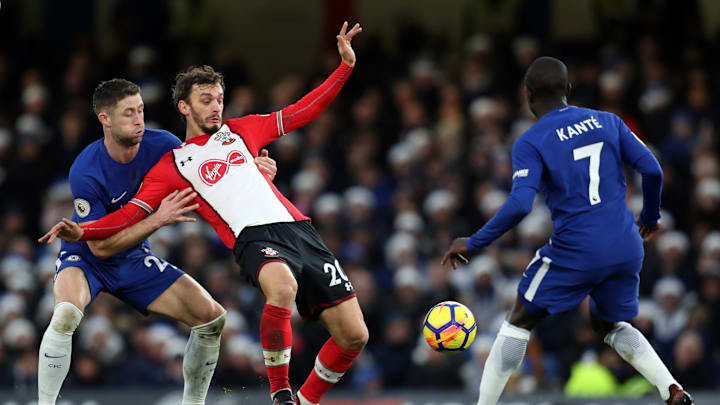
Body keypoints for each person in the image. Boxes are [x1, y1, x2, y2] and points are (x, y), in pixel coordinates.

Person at [41, 22, 368, 405]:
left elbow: (302, 112)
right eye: (206, 100)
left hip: (300, 231)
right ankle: (280, 394)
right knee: (281, 288)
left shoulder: (243, 131)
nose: (216, 107)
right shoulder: (174, 164)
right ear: (184, 106)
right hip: (254, 239)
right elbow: (129, 213)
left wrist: (344, 66)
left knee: (355, 335)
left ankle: (305, 401)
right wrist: (85, 232)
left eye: (219, 99)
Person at [440, 57, 693, 405]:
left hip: (577, 249)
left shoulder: (530, 142)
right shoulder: (608, 121)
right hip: (626, 244)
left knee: (519, 319)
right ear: (568, 90)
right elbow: (652, 170)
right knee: (608, 325)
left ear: (527, 96)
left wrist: (473, 241)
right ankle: (672, 389)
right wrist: (650, 216)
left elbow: (520, 205)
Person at [37, 79, 278, 405]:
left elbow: (209, 172)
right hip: (87, 257)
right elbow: (100, 247)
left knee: (212, 319)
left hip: (134, 257)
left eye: (141, 111)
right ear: (105, 119)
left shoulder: (162, 144)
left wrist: (252, 171)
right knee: (65, 314)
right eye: (128, 114)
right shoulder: (86, 169)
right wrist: (158, 219)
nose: (139, 120)